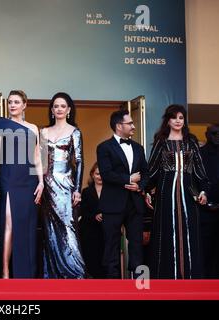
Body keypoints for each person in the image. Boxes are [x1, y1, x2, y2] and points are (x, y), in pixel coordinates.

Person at [146, 105, 209, 279]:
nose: (178, 121)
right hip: (166, 196)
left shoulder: (191, 140)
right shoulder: (161, 141)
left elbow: (200, 170)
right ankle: (167, 278)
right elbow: (152, 170)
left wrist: (203, 191)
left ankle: (190, 277)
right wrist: (146, 190)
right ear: (168, 120)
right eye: (174, 118)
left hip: (188, 196)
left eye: (181, 118)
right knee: (167, 233)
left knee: (189, 234)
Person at [0, 90, 44, 279]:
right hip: (9, 177)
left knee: (26, 225)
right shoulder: (0, 123)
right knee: (9, 223)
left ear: (24, 105)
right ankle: (5, 270)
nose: (12, 105)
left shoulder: (34, 128)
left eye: (16, 102)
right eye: (10, 102)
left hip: (29, 181)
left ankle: (25, 273)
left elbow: (37, 156)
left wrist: (42, 182)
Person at [96, 109, 148, 279]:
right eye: (130, 123)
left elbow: (146, 174)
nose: (133, 126)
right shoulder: (104, 147)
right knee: (111, 243)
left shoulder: (139, 148)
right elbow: (106, 173)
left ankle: (140, 283)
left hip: (135, 202)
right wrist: (128, 178)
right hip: (113, 203)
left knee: (136, 243)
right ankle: (112, 284)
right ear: (119, 126)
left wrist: (139, 186)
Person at [40, 92, 86, 278]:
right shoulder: (43, 131)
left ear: (68, 110)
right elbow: (39, 160)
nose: (59, 109)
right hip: (46, 184)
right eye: (56, 106)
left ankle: (76, 271)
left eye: (62, 106)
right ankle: (51, 272)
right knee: (49, 228)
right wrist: (38, 184)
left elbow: (80, 161)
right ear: (52, 110)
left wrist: (77, 189)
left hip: (66, 184)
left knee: (68, 226)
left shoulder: (75, 132)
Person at [200, 123, 219, 278]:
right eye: (213, 133)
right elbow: (192, 181)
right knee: (205, 249)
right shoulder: (199, 154)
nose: (217, 137)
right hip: (203, 210)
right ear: (206, 135)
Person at [80, 162, 105, 278]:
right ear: (92, 175)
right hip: (90, 232)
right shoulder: (86, 192)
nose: (100, 176)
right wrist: (94, 216)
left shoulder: (112, 192)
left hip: (106, 232)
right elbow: (83, 212)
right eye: (97, 174)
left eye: (102, 174)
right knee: (91, 262)